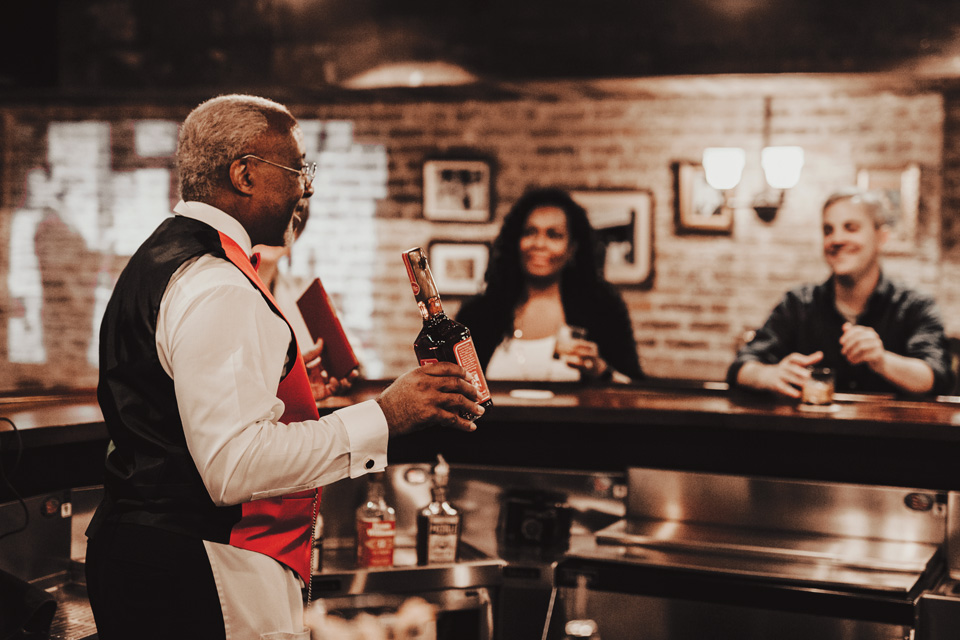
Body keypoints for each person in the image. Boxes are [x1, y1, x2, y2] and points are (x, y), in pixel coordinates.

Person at [86, 94, 485, 640]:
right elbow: (234, 466)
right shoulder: (218, 281)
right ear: (245, 175)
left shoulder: (167, 255)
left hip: (155, 556)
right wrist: (386, 415)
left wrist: (285, 395)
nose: (307, 185)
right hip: (200, 567)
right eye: (298, 167)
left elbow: (176, 406)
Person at [727, 187, 951, 398]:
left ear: (881, 237)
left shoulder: (915, 305)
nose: (837, 239)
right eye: (828, 230)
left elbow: (936, 376)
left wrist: (882, 361)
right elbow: (740, 367)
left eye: (850, 228)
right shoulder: (798, 303)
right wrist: (767, 375)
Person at [456, 187, 643, 382]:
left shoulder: (602, 309)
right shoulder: (479, 314)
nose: (539, 243)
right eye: (529, 232)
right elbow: (455, 390)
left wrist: (601, 370)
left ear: (572, 249)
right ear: (515, 241)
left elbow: (635, 390)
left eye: (553, 235)